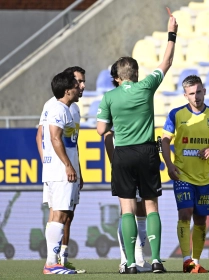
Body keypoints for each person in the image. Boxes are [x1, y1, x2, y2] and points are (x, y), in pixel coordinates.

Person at [96, 14, 178, 274]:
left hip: (123, 153)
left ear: (118, 78)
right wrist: (171, 33)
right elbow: (167, 61)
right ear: (136, 73)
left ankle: (130, 263)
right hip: (147, 151)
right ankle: (155, 260)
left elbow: (101, 130)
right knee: (151, 206)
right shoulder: (146, 87)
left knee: (127, 208)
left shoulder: (109, 96)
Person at [161, 75, 209, 273]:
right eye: (191, 93)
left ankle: (196, 261)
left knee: (200, 219)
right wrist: (169, 164)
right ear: (185, 95)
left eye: (199, 92)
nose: (196, 96)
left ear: (204, 91)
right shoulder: (176, 115)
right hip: (182, 174)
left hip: (205, 177)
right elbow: (165, 141)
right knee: (185, 212)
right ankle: (186, 259)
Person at [36, 66, 86, 274]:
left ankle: (54, 262)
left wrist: (76, 167)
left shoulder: (67, 109)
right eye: (77, 84)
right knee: (58, 214)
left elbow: (71, 142)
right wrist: (67, 165)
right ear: (67, 89)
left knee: (62, 214)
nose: (80, 87)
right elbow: (54, 138)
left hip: (63, 169)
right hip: (60, 170)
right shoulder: (56, 108)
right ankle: (51, 263)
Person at [103, 61, 151, 273]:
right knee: (128, 210)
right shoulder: (113, 99)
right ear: (117, 79)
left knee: (139, 209)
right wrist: (115, 163)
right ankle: (125, 258)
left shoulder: (125, 97)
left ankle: (139, 257)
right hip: (127, 160)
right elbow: (105, 134)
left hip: (131, 159)